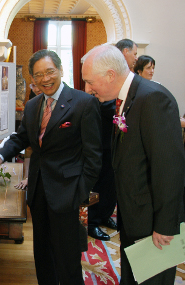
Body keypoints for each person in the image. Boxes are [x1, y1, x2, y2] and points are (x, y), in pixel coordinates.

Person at [0, 49, 103, 285]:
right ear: (33, 79)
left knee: (67, 257)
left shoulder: (83, 103)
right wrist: (1, 155)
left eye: (50, 72)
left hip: (67, 193)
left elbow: (94, 156)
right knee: (42, 255)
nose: (46, 79)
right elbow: (22, 138)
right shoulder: (32, 105)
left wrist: (80, 191)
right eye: (39, 75)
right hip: (38, 192)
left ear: (60, 70)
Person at [82, 44, 185, 285]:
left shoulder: (153, 99)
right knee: (133, 277)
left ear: (110, 75)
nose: (87, 89)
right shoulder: (128, 97)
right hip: (133, 214)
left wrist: (165, 225)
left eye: (89, 81)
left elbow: (169, 167)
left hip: (154, 224)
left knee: (152, 280)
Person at [87, 98, 117, 240]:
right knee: (96, 186)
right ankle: (92, 222)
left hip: (114, 146)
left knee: (111, 185)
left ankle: (105, 215)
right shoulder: (103, 93)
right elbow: (106, 108)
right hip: (99, 146)